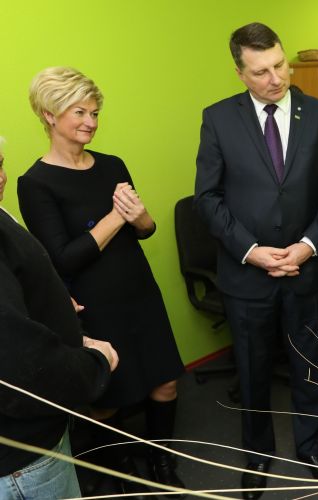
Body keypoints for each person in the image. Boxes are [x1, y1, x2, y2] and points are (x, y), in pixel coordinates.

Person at [194, 22, 318, 499]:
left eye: (280, 65)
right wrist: (252, 252)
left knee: (308, 365)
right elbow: (208, 198)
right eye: (261, 72)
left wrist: (307, 245)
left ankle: (310, 448)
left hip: (305, 268)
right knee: (252, 368)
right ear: (240, 73)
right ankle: (257, 454)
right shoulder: (218, 119)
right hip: (246, 275)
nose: (276, 78)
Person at [17, 67, 185, 497]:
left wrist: (139, 216)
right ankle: (122, 467)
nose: (90, 122)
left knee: (165, 380)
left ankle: (161, 460)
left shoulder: (112, 165)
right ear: (49, 114)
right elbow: (63, 258)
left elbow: (145, 230)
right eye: (80, 112)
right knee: (110, 397)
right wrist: (115, 216)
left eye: (94, 113)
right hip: (94, 302)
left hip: (139, 290)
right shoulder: (35, 183)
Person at [0, 136, 119, 499]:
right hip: (25, 459)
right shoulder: (36, 183)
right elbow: (20, 368)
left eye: (0, 163)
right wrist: (96, 363)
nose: (1, 177)